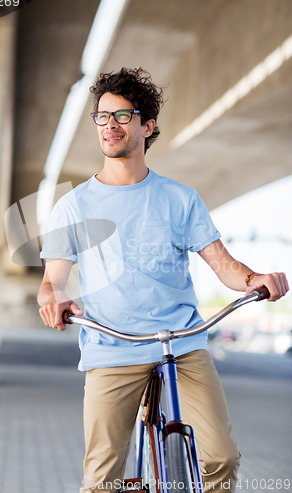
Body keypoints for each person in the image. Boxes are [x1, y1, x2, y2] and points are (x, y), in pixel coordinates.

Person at [37, 68, 289, 493]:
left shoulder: (179, 198)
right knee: (101, 479)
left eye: (122, 116)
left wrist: (254, 278)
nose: (110, 125)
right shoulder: (73, 206)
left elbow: (222, 264)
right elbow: (52, 282)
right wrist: (54, 299)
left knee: (221, 458)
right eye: (102, 116)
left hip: (181, 343)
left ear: (147, 125)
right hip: (112, 346)